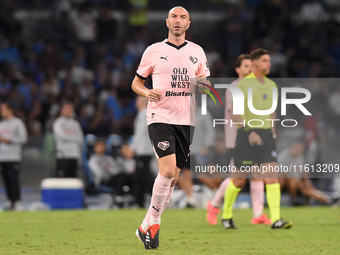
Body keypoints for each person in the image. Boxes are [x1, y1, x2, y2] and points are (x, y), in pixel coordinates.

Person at [132, 6, 210, 249]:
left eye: (183, 17)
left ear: (189, 23)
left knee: (173, 178)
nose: (178, 21)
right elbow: (136, 82)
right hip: (160, 116)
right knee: (166, 172)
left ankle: (144, 226)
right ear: (167, 22)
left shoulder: (197, 51)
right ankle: (154, 224)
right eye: (174, 17)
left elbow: (206, 85)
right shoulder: (154, 50)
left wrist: (201, 84)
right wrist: (147, 92)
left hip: (186, 120)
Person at [221, 48, 293, 229]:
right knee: (238, 180)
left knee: (272, 177)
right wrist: (248, 131)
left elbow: (271, 111)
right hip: (246, 135)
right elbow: (234, 113)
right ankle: (226, 214)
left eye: (269, 60)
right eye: (265, 61)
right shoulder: (242, 86)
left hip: (266, 135)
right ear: (255, 64)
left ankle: (276, 219)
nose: (269, 63)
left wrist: (273, 132)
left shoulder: (271, 85)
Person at [207, 54, 271, 225]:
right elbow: (235, 115)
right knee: (237, 177)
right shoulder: (235, 88)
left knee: (257, 174)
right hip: (238, 138)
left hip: (254, 137)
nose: (250, 69)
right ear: (238, 69)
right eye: (246, 66)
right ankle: (214, 205)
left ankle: (257, 215)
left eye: (252, 65)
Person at [0, 101, 27, 210]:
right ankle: (9, 201)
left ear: (9, 110)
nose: (1, 112)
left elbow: (23, 139)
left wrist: (7, 140)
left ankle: (18, 201)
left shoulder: (18, 123)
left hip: (13, 157)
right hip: (2, 157)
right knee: (6, 180)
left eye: (3, 109)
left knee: (13, 180)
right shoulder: (1, 124)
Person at [129, 96, 155, 208]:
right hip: (147, 149)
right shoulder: (149, 113)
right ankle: (144, 199)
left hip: (143, 150)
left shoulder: (143, 113)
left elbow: (140, 133)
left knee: (142, 176)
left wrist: (132, 148)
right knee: (144, 175)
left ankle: (141, 200)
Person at [88, 140, 127, 207]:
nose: (101, 147)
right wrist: (110, 171)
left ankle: (120, 196)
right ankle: (119, 196)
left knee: (122, 175)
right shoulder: (93, 159)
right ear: (95, 148)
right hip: (101, 181)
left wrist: (110, 171)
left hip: (111, 179)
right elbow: (99, 173)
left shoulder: (109, 158)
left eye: (103, 146)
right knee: (119, 177)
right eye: (99, 146)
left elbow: (117, 170)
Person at [53, 102, 83, 178]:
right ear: (62, 111)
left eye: (70, 109)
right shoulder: (58, 123)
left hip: (74, 155)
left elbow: (80, 138)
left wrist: (69, 137)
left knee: (74, 179)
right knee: (63, 179)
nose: (68, 111)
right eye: (66, 109)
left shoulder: (76, 124)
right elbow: (62, 137)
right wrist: (74, 137)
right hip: (63, 155)